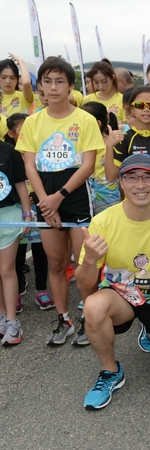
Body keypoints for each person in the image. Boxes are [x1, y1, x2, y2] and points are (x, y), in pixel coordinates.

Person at [77, 154, 150, 409]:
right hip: (121, 295)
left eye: (147, 177)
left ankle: (149, 327)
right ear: (121, 182)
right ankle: (110, 371)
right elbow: (85, 287)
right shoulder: (103, 221)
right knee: (93, 307)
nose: (140, 185)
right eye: (131, 177)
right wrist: (90, 261)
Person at [16, 57, 102, 345]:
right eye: (47, 82)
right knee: (56, 262)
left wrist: (60, 196)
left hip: (74, 194)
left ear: (70, 86)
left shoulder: (84, 119)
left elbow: (87, 165)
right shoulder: (32, 122)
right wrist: (45, 203)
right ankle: (63, 319)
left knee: (83, 262)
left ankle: (89, 318)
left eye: (60, 81)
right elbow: (30, 167)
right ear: (40, 86)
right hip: (45, 194)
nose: (53, 87)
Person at [6, 114, 53, 312]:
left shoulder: (42, 152)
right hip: (18, 210)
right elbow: (8, 184)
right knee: (17, 253)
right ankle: (17, 290)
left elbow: (49, 178)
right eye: (22, 129)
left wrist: (36, 196)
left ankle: (42, 289)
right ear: (11, 134)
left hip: (40, 206)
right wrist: (21, 198)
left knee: (41, 250)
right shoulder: (9, 154)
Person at [107, 86, 150, 201]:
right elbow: (111, 177)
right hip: (133, 200)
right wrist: (109, 147)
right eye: (140, 105)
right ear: (131, 110)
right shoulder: (124, 139)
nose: (146, 109)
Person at [0, 125, 32, 345]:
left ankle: (13, 321)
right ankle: (2, 316)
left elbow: (21, 184)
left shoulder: (8, 150)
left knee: (6, 269)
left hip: (9, 216)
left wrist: (27, 214)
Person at [84, 59, 126, 125]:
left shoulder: (123, 100)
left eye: (104, 82)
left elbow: (126, 127)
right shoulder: (87, 100)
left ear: (113, 77)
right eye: (96, 82)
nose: (100, 86)